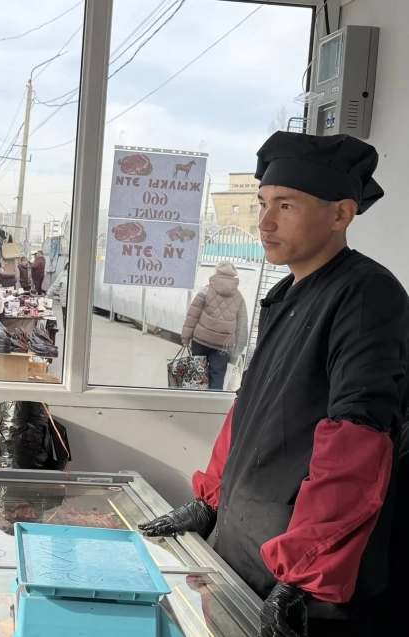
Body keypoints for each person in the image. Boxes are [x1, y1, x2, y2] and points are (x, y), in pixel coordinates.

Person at [139, 132, 409, 637]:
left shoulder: (367, 294)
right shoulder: (285, 294)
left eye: (285, 205)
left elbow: (357, 441)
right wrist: (210, 501)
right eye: (263, 203)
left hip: (304, 581)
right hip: (242, 550)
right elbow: (250, 409)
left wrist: (307, 571)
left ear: (340, 214)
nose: (264, 222)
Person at [180, 262, 249, 390]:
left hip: (201, 340)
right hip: (223, 345)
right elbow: (242, 324)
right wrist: (240, 346)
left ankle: (195, 399)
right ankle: (213, 400)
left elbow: (193, 315)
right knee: (217, 376)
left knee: (197, 374)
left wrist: (185, 338)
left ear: (217, 272)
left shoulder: (205, 291)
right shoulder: (239, 297)